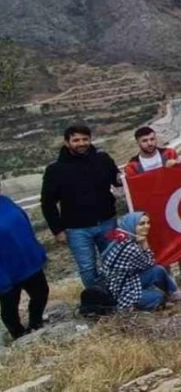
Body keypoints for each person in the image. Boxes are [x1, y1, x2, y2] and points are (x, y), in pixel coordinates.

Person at [41, 123, 122, 288]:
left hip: (108, 222)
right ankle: (97, 301)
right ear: (67, 142)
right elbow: (48, 202)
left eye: (85, 139)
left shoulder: (103, 159)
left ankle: (119, 293)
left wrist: (124, 177)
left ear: (90, 139)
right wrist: (57, 230)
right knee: (87, 268)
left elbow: (117, 180)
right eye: (76, 140)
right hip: (77, 230)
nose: (81, 143)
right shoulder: (55, 170)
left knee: (116, 260)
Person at [124, 127, 181, 285]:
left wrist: (179, 165)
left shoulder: (169, 154)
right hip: (151, 209)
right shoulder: (132, 166)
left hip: (174, 203)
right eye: (145, 141)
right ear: (138, 142)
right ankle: (168, 276)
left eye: (152, 139)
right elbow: (136, 189)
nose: (149, 143)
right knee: (159, 242)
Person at [100, 212, 181, 310]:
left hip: (126, 281)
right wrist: (145, 244)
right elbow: (149, 264)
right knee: (157, 296)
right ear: (132, 225)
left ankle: (174, 293)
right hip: (120, 291)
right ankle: (131, 306)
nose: (147, 226)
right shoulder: (130, 247)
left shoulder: (121, 239)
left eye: (148, 223)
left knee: (158, 270)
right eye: (141, 224)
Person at [1, 188, 49, 339]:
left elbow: (23, 225)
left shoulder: (5, 202)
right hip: (4, 268)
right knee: (10, 305)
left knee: (41, 292)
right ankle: (18, 335)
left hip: (26, 260)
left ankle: (36, 324)